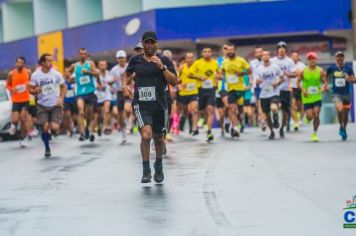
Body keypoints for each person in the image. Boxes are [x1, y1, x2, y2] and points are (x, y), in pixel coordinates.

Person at [124, 31, 177, 183]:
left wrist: (162, 68)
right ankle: (146, 169)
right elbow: (127, 75)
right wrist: (125, 86)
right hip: (141, 104)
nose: (149, 45)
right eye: (146, 42)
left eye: (152, 42)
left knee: (159, 138)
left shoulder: (164, 59)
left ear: (156, 44)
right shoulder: (136, 60)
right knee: (146, 135)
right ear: (142, 43)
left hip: (159, 104)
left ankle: (158, 165)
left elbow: (174, 81)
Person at [29, 53, 66, 157]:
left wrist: (61, 99)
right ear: (43, 63)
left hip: (55, 105)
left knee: (54, 127)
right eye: (49, 60)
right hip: (42, 105)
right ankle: (47, 147)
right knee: (45, 127)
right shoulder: (35, 75)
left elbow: (64, 86)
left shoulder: (56, 74)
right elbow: (30, 89)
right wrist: (35, 90)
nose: (51, 62)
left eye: (51, 60)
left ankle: (52, 131)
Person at [189, 47, 220, 142]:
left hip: (211, 89)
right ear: (202, 53)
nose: (207, 53)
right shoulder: (197, 63)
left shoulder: (215, 63)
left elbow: (220, 74)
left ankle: (209, 132)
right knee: (201, 110)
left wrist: (218, 76)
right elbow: (190, 74)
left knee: (210, 110)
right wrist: (199, 77)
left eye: (209, 51)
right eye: (205, 51)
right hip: (200, 89)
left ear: (211, 53)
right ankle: (202, 118)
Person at [221, 43, 252, 138]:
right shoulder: (224, 62)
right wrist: (218, 77)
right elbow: (222, 73)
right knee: (232, 109)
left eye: (232, 50)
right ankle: (235, 127)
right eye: (228, 50)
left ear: (235, 50)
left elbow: (249, 71)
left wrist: (242, 73)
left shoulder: (241, 60)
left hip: (241, 89)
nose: (230, 51)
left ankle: (240, 120)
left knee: (240, 110)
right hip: (230, 90)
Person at [69, 48, 99, 142]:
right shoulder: (74, 66)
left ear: (86, 55)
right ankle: (81, 132)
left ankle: (87, 129)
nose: (83, 55)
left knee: (89, 115)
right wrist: (71, 79)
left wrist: (88, 72)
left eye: (84, 54)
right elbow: (69, 73)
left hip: (90, 92)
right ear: (78, 55)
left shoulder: (90, 64)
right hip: (80, 93)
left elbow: (97, 74)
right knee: (81, 112)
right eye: (81, 54)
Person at [297, 52, 328, 142]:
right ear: (307, 61)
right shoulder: (303, 71)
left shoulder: (320, 71)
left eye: (313, 58)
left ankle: (314, 133)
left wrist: (323, 87)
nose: (312, 60)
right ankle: (307, 118)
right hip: (307, 97)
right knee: (310, 116)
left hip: (317, 96)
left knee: (316, 115)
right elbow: (298, 82)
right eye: (310, 59)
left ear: (316, 60)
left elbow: (325, 81)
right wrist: (303, 90)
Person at [327, 51, 356, 140]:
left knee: (345, 113)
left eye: (341, 57)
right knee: (340, 110)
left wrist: (349, 78)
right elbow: (325, 77)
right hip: (336, 93)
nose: (340, 58)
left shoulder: (348, 68)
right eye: (338, 57)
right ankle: (341, 125)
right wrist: (326, 85)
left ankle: (343, 128)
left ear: (343, 58)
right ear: (335, 58)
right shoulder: (331, 68)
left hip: (346, 94)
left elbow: (354, 80)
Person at [256, 51, 284, 140]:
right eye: (263, 55)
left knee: (274, 108)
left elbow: (282, 78)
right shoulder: (259, 69)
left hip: (274, 92)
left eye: (267, 55)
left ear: (269, 56)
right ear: (262, 57)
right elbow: (256, 82)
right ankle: (272, 132)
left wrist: (277, 83)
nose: (265, 56)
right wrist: (258, 82)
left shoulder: (275, 67)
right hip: (264, 94)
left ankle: (275, 118)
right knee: (267, 115)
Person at [271, 41, 297, 138]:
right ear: (277, 50)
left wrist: (287, 74)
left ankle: (282, 128)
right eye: (280, 49)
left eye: (283, 49)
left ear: (285, 50)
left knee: (285, 112)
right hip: (275, 89)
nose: (281, 51)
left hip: (286, 89)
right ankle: (275, 117)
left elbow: (295, 74)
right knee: (275, 106)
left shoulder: (289, 61)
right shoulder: (272, 61)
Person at [6, 56, 32, 147]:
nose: (20, 64)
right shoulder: (11, 74)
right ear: (16, 63)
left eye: (22, 63)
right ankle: (13, 125)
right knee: (15, 120)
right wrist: (12, 89)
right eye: (18, 62)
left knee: (23, 119)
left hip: (25, 99)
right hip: (16, 100)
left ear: (24, 64)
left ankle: (22, 139)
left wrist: (30, 87)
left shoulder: (28, 72)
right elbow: (7, 86)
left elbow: (32, 82)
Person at [177, 52, 199, 135]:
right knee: (185, 111)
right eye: (188, 58)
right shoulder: (182, 67)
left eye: (192, 58)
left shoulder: (196, 67)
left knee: (194, 110)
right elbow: (177, 79)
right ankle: (182, 120)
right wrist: (179, 85)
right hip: (184, 93)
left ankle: (194, 128)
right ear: (185, 59)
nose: (190, 59)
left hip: (193, 92)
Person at [110, 50, 129, 143]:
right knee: (120, 115)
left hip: (129, 91)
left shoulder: (129, 66)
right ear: (117, 59)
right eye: (119, 58)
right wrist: (113, 81)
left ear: (125, 58)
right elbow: (109, 82)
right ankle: (123, 131)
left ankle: (129, 122)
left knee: (128, 109)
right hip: (119, 92)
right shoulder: (114, 69)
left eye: (122, 58)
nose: (121, 60)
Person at [250, 46, 266, 131]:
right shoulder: (252, 63)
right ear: (255, 54)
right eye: (257, 52)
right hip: (257, 87)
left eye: (261, 52)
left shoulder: (268, 61)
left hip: (268, 86)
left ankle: (265, 117)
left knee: (267, 105)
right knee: (259, 104)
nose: (259, 54)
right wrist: (251, 82)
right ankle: (263, 121)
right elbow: (250, 75)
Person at [96, 60, 113, 135]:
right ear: (98, 66)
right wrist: (98, 86)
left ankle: (106, 126)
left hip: (107, 95)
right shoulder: (95, 73)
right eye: (101, 65)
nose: (103, 66)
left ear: (106, 66)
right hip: (98, 96)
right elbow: (93, 83)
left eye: (104, 65)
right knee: (99, 115)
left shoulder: (109, 73)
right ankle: (99, 126)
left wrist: (110, 82)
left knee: (106, 110)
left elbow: (112, 80)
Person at [290, 51, 306, 131]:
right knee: (292, 105)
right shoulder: (289, 64)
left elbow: (303, 74)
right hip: (292, 87)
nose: (294, 57)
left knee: (300, 106)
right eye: (293, 56)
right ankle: (294, 121)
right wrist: (296, 73)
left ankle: (300, 120)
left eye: (296, 56)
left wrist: (297, 73)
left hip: (300, 86)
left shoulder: (302, 65)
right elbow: (288, 74)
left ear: (298, 57)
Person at [63, 68, 77, 137]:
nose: (67, 73)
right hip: (66, 101)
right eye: (66, 72)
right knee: (68, 115)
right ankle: (69, 130)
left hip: (74, 100)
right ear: (64, 73)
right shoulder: (62, 81)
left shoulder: (74, 80)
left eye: (69, 72)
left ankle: (74, 126)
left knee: (74, 117)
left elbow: (75, 90)